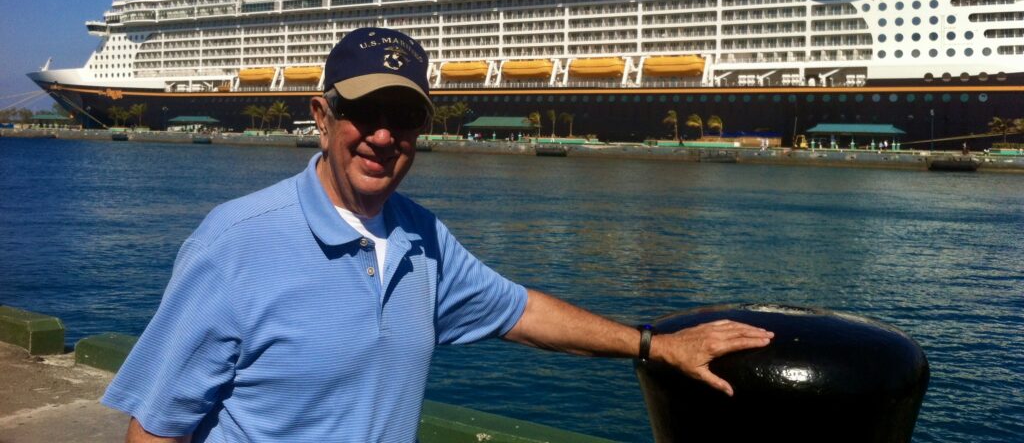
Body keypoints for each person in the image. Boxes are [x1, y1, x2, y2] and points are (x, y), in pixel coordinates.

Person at [102, 28, 773, 442]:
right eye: (364, 111)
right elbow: (158, 427)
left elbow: (522, 312)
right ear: (321, 114)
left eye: (403, 116)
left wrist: (655, 345)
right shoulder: (236, 241)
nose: (384, 135)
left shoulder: (422, 238)